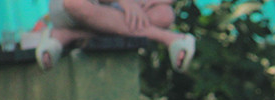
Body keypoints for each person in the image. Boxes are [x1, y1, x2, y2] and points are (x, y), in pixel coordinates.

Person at [32, 0, 196, 73]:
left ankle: (68, 35)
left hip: (113, 11)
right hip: (75, 7)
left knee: (164, 14)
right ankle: (167, 38)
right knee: (76, 3)